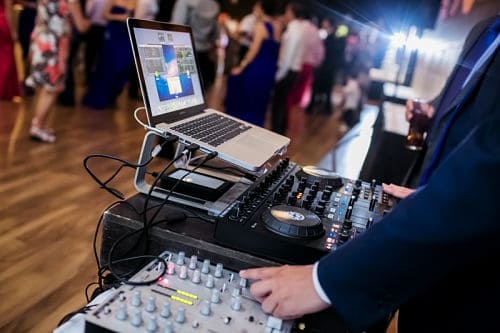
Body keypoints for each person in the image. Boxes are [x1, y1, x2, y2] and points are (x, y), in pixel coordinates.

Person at [240, 15, 500, 333]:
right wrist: (433, 113)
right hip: (430, 239)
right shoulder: (485, 29)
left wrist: (324, 281)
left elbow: (487, 175)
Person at [384, 14, 500, 198]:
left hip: (457, 206)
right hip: (419, 184)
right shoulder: (483, 28)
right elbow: (455, 97)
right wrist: (431, 109)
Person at [26, 0, 89, 143]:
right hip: (54, 46)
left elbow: (39, 19)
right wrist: (91, 22)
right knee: (51, 88)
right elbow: (81, 26)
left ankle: (41, 125)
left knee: (43, 87)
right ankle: (37, 126)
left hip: (40, 41)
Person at [224, 0, 281, 127]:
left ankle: (242, 129)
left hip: (257, 68)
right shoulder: (278, 26)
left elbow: (254, 50)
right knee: (260, 103)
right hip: (270, 69)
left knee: (247, 100)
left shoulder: (260, 26)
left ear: (261, 8)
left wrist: (241, 66)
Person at [82, 0, 136, 109]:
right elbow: (105, 14)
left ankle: (113, 94)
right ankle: (102, 97)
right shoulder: (113, 0)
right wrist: (120, 17)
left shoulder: (135, 2)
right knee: (108, 64)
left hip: (125, 34)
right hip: (113, 31)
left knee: (126, 64)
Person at [171, 0, 220, 90]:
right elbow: (216, 34)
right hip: (204, 51)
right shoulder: (214, 5)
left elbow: (177, 27)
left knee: (184, 87)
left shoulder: (184, 2)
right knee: (201, 88)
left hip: (185, 49)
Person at [0, 0, 20, 100]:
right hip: (2, 23)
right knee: (6, 58)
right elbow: (8, 10)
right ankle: (3, 90)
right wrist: (13, 31)